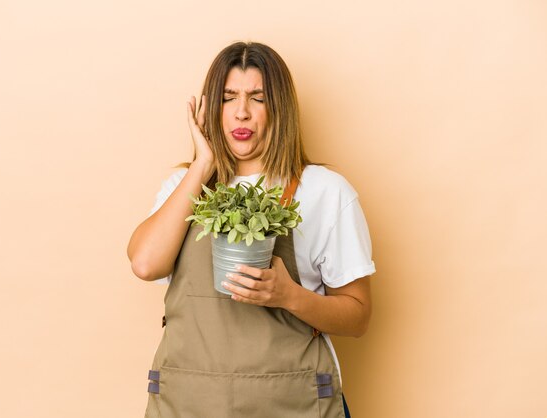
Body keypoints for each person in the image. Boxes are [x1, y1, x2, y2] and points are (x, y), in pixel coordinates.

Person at [127, 41, 375, 418]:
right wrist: (202, 164)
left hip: (292, 403)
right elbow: (145, 264)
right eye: (228, 98)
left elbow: (358, 316)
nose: (241, 113)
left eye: (257, 98)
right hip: (191, 404)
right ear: (212, 109)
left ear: (280, 108)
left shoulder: (324, 190)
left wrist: (288, 296)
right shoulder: (185, 187)